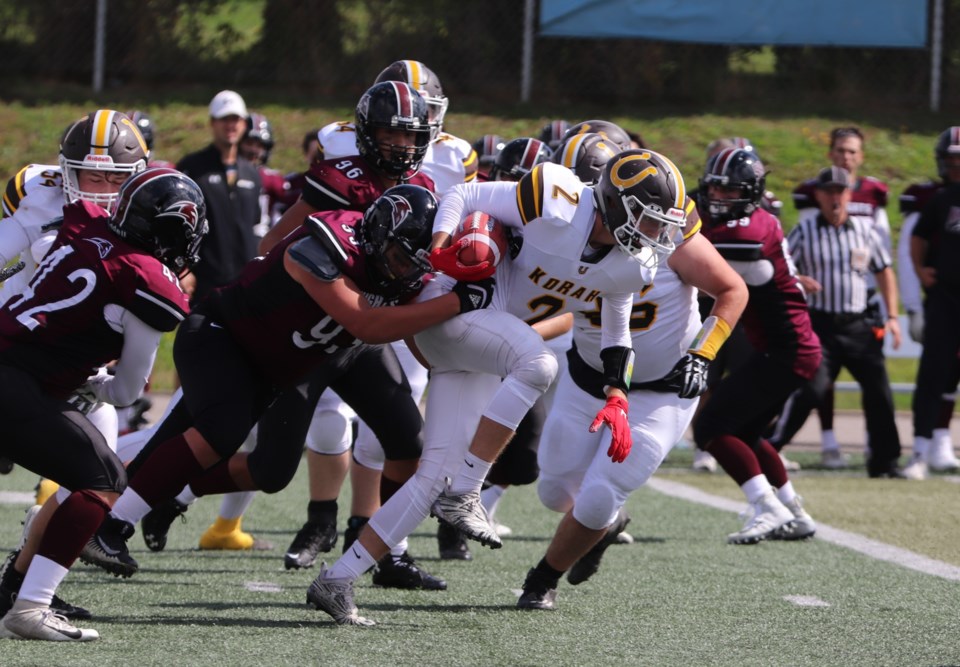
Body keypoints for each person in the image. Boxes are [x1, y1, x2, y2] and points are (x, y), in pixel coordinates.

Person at [306, 149, 699, 626]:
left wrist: (617, 392)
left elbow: (616, 326)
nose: (658, 235)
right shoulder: (558, 202)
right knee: (536, 362)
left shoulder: (630, 264)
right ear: (618, 205)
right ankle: (469, 492)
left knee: (433, 477)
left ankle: (337, 580)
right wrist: (441, 244)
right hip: (456, 306)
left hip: (486, 339)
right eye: (651, 221)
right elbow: (465, 192)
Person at [78, 184, 494, 583]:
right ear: (376, 236)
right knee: (220, 439)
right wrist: (458, 300)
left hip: (330, 346)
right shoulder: (321, 246)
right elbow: (366, 321)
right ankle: (104, 520)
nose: (407, 275)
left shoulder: (407, 260)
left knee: (406, 439)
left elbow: (397, 331)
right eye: (402, 261)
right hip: (237, 340)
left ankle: (385, 551)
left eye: (416, 267)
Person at [516, 180, 748, 610]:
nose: (654, 224)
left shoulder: (671, 238)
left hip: (661, 390)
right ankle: (602, 528)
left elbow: (732, 290)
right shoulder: (559, 234)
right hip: (590, 380)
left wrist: (703, 352)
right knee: (553, 489)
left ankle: (543, 578)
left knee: (602, 493)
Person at [0, 167, 207, 641]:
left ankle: (16, 591)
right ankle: (29, 606)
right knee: (105, 480)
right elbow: (127, 391)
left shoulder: (85, 227)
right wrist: (94, 382)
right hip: (18, 385)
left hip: (12, 360)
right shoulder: (147, 281)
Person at [0, 110, 152, 622]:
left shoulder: (149, 208)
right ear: (66, 171)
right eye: (92, 175)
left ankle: (23, 582)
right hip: (17, 351)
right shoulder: (38, 192)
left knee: (92, 469)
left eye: (116, 177)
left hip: (75, 366)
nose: (105, 189)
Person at [693, 148, 821, 542]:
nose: (719, 198)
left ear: (750, 193)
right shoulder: (751, 220)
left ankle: (767, 508)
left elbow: (700, 255)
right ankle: (794, 510)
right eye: (715, 189)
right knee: (746, 433)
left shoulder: (751, 229)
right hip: (785, 347)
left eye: (730, 192)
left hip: (787, 350)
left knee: (711, 427)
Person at [777, 166, 905, 478]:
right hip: (821, 325)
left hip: (859, 325)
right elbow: (780, 267)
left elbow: (884, 271)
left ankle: (884, 461)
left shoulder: (866, 231)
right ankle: (771, 447)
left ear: (849, 194)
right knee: (812, 390)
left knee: (879, 392)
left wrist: (892, 316)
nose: (835, 197)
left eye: (840, 191)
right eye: (829, 191)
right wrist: (798, 279)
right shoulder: (805, 231)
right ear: (818, 195)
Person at [904, 127, 960, 479]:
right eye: (951, 159)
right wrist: (922, 271)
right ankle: (920, 452)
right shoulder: (944, 198)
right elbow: (918, 237)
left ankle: (939, 445)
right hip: (946, 299)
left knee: (952, 376)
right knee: (932, 374)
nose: (955, 165)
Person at [176, 90, 262, 305]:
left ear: (244, 124)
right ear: (212, 123)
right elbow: (177, 225)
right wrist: (183, 269)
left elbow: (256, 224)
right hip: (205, 280)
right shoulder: (192, 167)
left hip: (245, 281)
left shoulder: (252, 173)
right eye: (224, 119)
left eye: (235, 119)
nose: (230, 125)